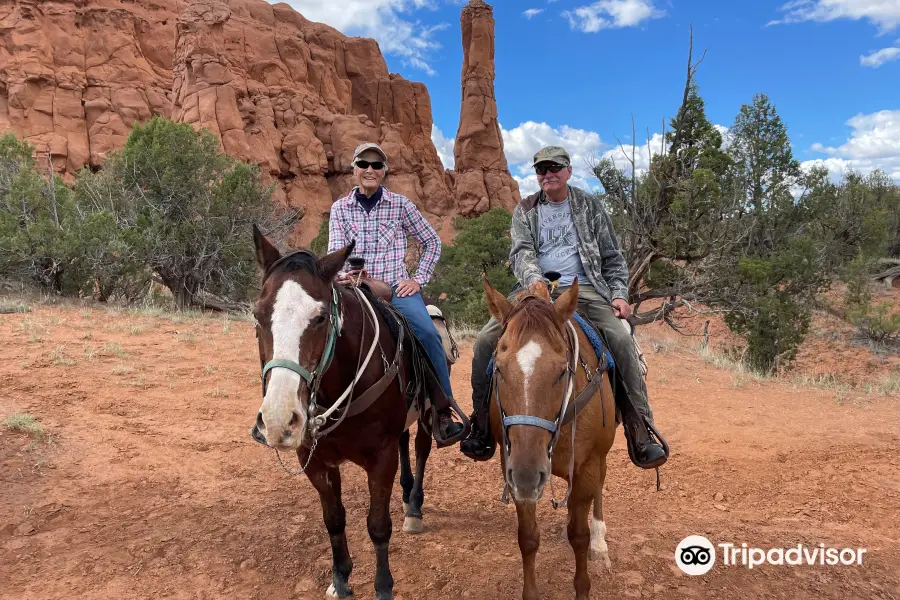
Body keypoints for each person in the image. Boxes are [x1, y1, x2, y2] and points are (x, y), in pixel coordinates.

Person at [460, 145, 668, 469]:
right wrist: (535, 281)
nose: (548, 174)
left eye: (554, 168)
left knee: (621, 339)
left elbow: (613, 258)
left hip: (584, 287)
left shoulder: (589, 206)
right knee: (486, 341)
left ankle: (639, 427)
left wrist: (618, 294)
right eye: (541, 170)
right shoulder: (526, 209)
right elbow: (521, 252)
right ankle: (481, 425)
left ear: (568, 171)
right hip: (533, 290)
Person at [328, 142, 464, 443]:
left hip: (395, 288)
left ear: (384, 171)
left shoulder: (400, 205)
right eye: (363, 164)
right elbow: (335, 252)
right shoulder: (340, 208)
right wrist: (345, 277)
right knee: (316, 329)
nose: (370, 170)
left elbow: (432, 242)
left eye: (377, 165)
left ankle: (441, 411)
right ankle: (311, 404)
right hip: (352, 288)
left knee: (429, 334)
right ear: (353, 169)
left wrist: (418, 280)